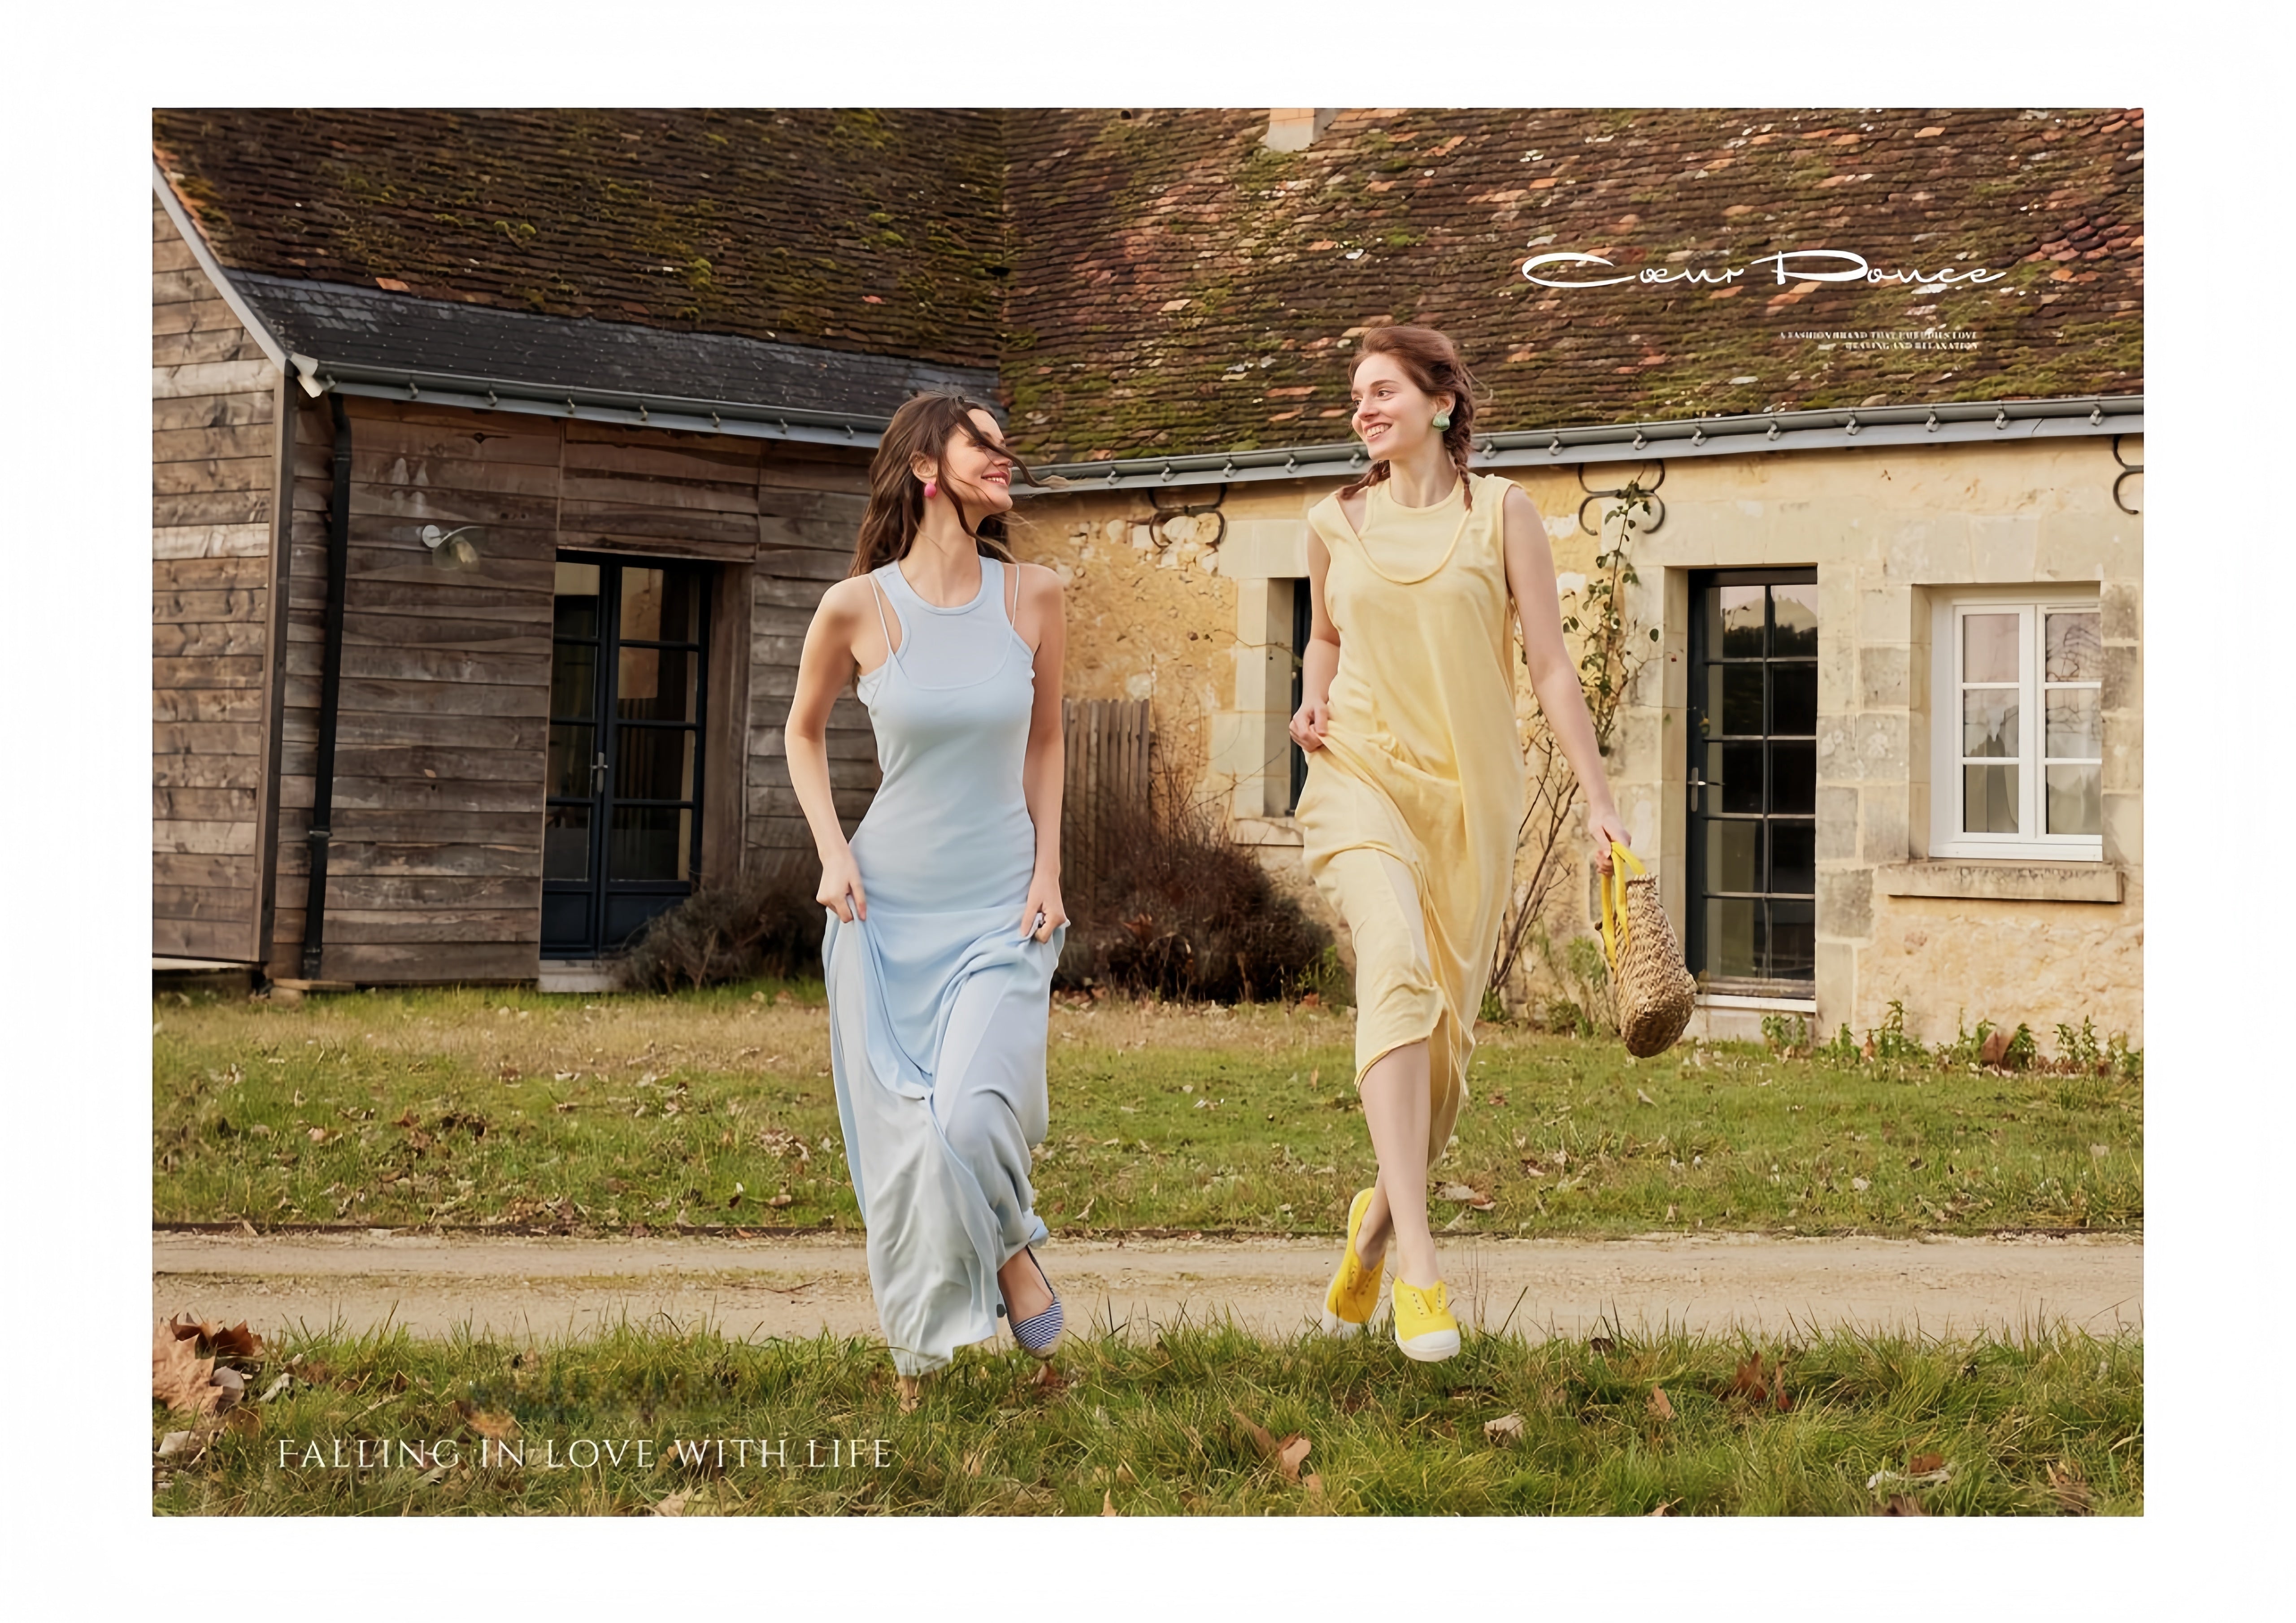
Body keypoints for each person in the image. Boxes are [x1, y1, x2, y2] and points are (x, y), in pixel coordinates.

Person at [1291, 325, 1630, 1362]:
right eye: (1356, 395)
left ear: (1441, 403)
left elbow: (1551, 665)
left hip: (1469, 804)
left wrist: (1599, 798)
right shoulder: (1332, 522)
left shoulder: (1502, 514)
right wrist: (1311, 699)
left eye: (1382, 390)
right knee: (1393, 967)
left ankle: (1374, 1224)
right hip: (1358, 776)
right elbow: (1324, 637)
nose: (1363, 408)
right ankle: (1420, 1268)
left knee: (1441, 1059)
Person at [783, 393, 1070, 1409]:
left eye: (1003, 439)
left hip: (1002, 906)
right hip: (884, 912)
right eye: (979, 440)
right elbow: (801, 733)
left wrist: (1049, 869)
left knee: (969, 1114)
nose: (1003, 454)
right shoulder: (856, 608)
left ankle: (1008, 1242)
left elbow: (1047, 741)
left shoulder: (1035, 595)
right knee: (908, 1144)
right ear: (925, 468)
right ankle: (932, 1335)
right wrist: (833, 856)